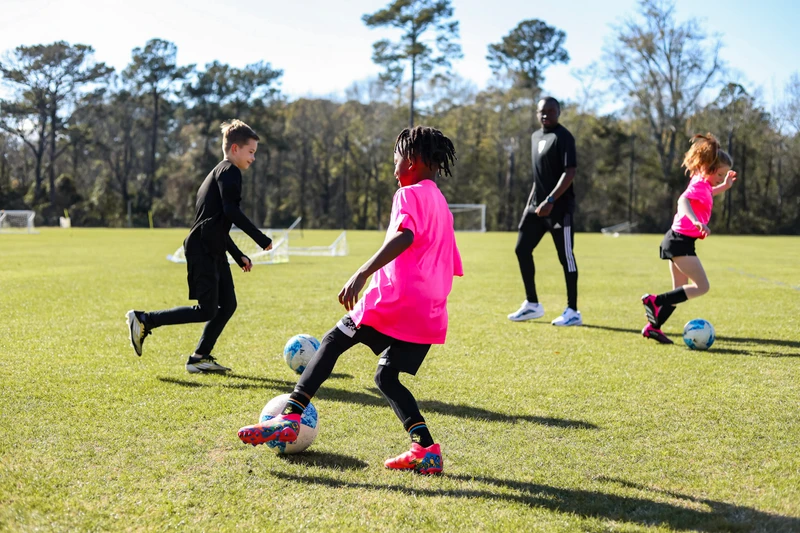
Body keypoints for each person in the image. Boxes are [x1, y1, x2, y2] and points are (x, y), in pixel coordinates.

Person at [237, 126, 463, 475]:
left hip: (395, 297)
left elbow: (406, 235)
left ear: (413, 161)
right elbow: (451, 261)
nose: (394, 167)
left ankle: (291, 416)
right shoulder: (442, 204)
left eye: (396, 158)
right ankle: (426, 448)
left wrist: (362, 272)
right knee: (387, 377)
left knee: (332, 341)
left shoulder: (408, 194)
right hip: (431, 309)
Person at [125, 119, 273, 373]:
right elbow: (231, 211)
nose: (253, 158)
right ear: (235, 149)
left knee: (227, 305)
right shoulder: (229, 171)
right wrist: (261, 238)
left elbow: (218, 222)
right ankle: (144, 319)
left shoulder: (220, 173)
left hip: (213, 247)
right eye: (251, 152)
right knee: (206, 310)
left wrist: (238, 256)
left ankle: (200, 357)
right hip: (203, 248)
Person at [641, 133, 737, 343]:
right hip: (680, 242)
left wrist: (724, 186)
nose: (721, 179)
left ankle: (653, 328)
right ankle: (654, 301)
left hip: (675, 239)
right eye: (720, 175)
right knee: (702, 287)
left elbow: (708, 192)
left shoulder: (701, 182)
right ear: (709, 169)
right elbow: (683, 200)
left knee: (680, 291)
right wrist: (695, 221)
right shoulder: (699, 186)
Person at [508, 96, 581, 326]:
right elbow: (538, 177)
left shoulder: (564, 137)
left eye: (551, 111)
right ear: (536, 113)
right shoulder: (535, 137)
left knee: (566, 258)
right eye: (542, 111)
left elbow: (569, 173)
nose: (546, 115)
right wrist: (530, 204)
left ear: (559, 112)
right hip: (536, 208)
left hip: (559, 209)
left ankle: (573, 311)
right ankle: (532, 304)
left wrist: (551, 199)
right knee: (521, 249)